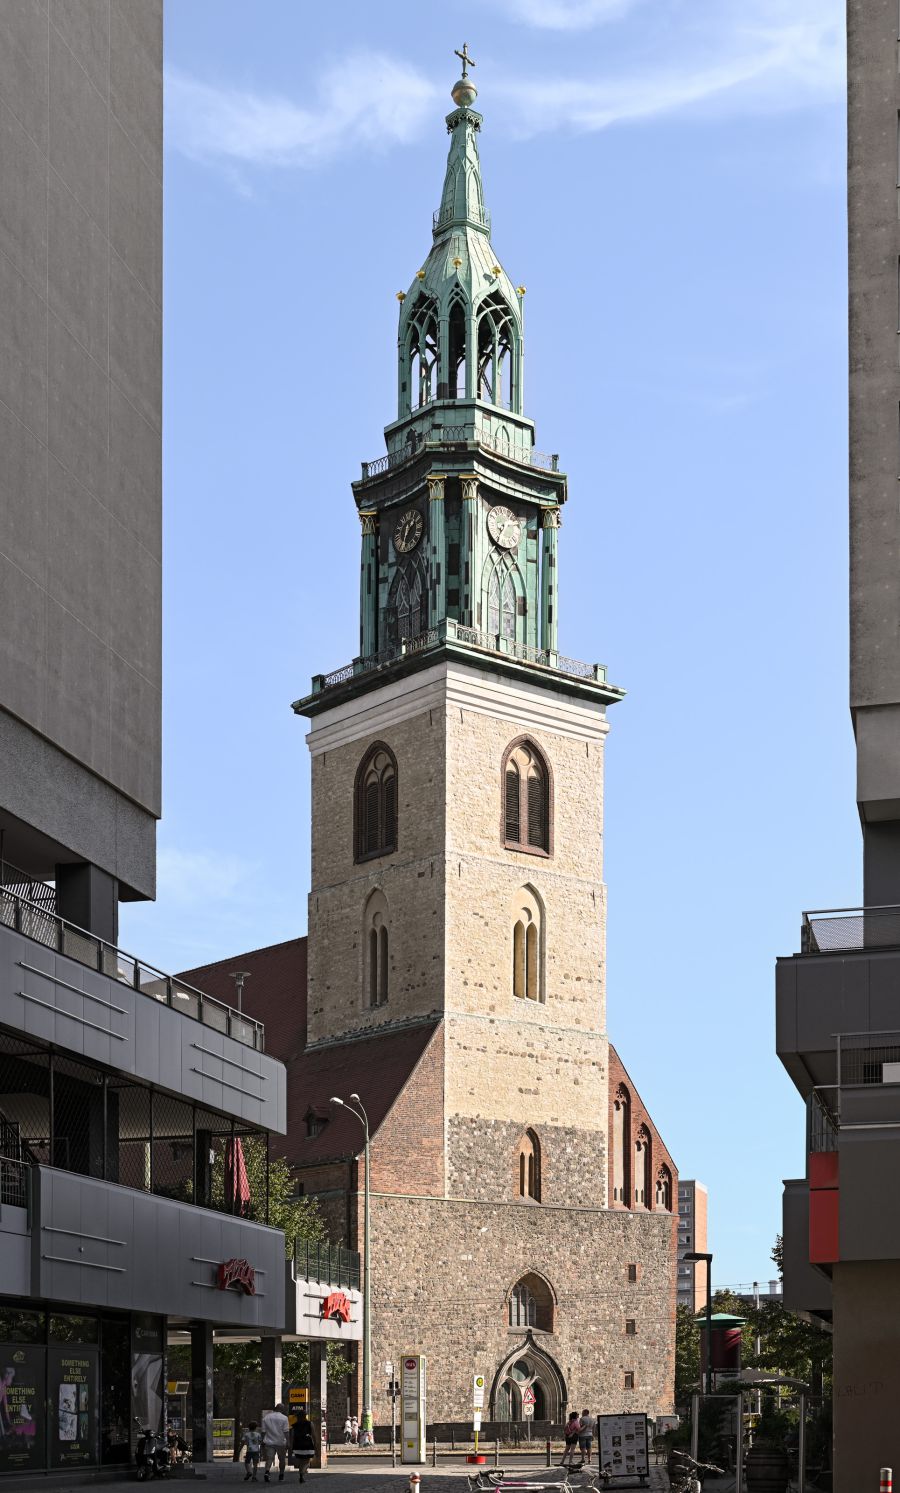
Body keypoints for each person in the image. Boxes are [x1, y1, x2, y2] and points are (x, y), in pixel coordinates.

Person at [262, 1403, 290, 1483]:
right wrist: (288, 1442)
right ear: (282, 1409)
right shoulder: (284, 1418)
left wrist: (262, 1441)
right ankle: (281, 1475)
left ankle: (267, 1472)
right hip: (281, 1442)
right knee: (282, 1460)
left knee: (269, 1459)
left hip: (269, 1442)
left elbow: (263, 1431)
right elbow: (286, 1431)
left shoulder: (266, 1417)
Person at [291, 1411, 316, 1483]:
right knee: (307, 1461)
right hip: (307, 1443)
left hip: (297, 1444)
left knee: (301, 1460)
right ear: (305, 1416)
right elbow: (313, 1435)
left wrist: (291, 1446)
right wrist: (315, 1444)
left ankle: (301, 1474)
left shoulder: (294, 1425)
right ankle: (302, 1473)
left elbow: (292, 1436)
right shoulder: (310, 1423)